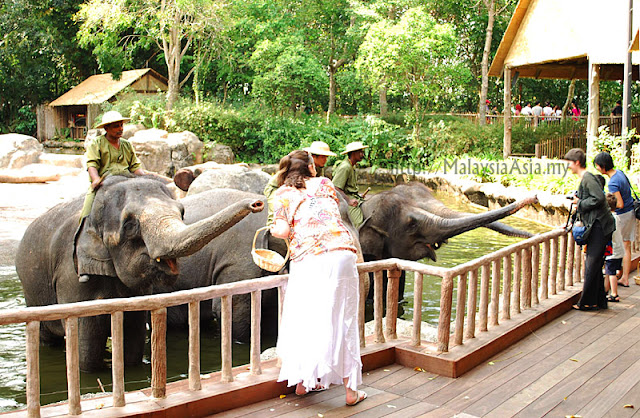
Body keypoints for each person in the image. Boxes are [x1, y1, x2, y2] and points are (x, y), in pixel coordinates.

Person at [269, 150, 366, 406]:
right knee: (343, 319)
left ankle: (302, 383)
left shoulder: (282, 195)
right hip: (342, 254)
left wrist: (273, 227)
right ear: (311, 169)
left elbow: (282, 231)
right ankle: (350, 391)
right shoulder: (325, 183)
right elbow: (329, 212)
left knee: (305, 316)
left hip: (309, 258)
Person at [78, 110, 169, 282]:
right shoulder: (97, 143)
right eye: (115, 126)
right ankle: (84, 261)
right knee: (87, 214)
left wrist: (148, 176)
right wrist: (96, 179)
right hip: (106, 185)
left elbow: (135, 167)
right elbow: (91, 164)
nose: (120, 128)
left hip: (128, 184)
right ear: (106, 128)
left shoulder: (126, 144)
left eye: (121, 125)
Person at [565, 148, 615, 310]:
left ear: (577, 163)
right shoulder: (585, 179)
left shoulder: (587, 178)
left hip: (600, 226)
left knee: (592, 265)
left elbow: (599, 198)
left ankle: (586, 302)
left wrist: (579, 203)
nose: (568, 166)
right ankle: (600, 300)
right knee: (595, 263)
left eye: (569, 163)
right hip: (598, 225)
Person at [264, 141, 337, 225]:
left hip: (297, 186)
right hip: (279, 186)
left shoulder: (320, 169)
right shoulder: (300, 164)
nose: (325, 160)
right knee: (276, 211)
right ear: (314, 157)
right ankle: (270, 229)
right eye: (323, 157)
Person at [594, 151, 635, 287]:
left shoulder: (613, 183)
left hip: (622, 215)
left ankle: (620, 277)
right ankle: (624, 276)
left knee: (621, 245)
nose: (597, 168)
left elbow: (619, 203)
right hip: (630, 212)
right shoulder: (620, 173)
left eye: (598, 166)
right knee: (627, 245)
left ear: (603, 166)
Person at [332, 141, 368, 228]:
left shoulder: (352, 166)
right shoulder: (345, 167)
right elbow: (335, 187)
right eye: (360, 152)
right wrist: (349, 201)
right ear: (353, 153)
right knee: (359, 223)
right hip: (345, 200)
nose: (362, 154)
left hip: (353, 197)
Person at [604, 193, 623, 302]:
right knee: (608, 271)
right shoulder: (617, 217)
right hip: (619, 249)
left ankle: (614, 293)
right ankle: (606, 290)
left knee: (611, 273)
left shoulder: (610, 219)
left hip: (613, 251)